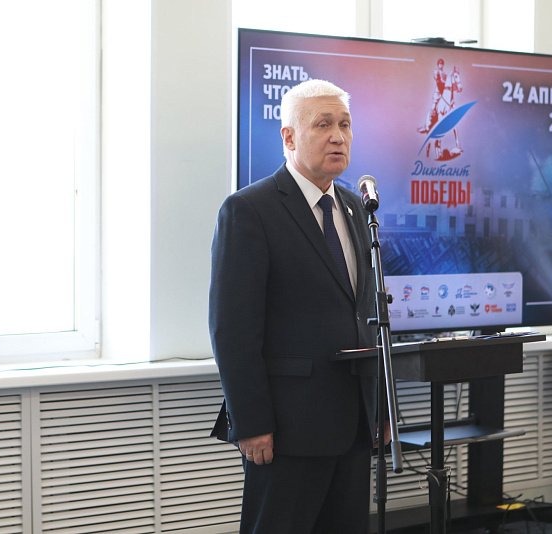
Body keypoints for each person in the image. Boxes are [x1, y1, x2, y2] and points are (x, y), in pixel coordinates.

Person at [209, 79, 379, 533]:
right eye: (323, 124)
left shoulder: (356, 208)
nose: (338, 136)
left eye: (345, 125)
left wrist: (379, 409)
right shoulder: (250, 210)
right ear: (289, 136)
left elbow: (365, 314)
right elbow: (233, 329)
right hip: (286, 429)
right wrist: (251, 422)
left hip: (353, 423)